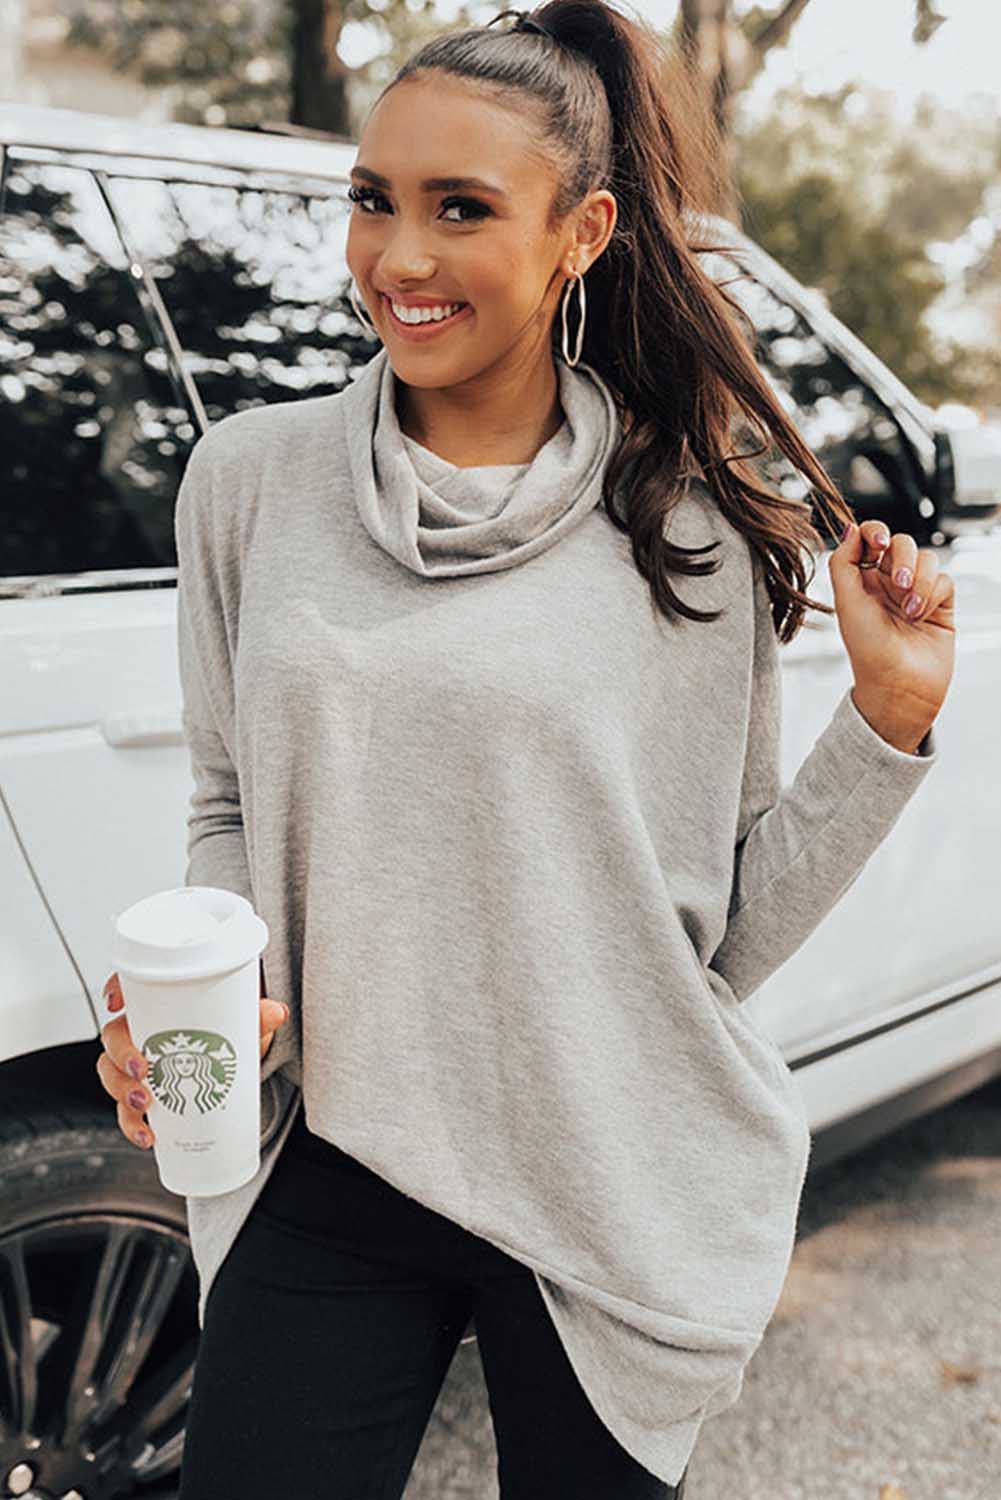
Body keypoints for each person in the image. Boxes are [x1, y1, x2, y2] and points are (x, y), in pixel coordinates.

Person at [97, 1, 955, 1494]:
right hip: (331, 1155)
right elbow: (230, 799)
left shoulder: (687, 524)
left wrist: (884, 722)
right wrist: (221, 1000)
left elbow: (718, 933)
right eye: (373, 198)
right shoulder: (250, 482)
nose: (396, 257)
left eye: (460, 208)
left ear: (582, 234)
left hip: (607, 1169)